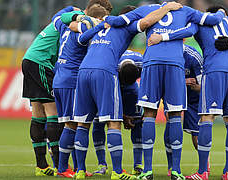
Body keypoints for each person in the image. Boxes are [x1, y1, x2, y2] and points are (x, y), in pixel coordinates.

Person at [104, 3, 227, 180]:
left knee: (149, 114)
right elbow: (213, 19)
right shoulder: (185, 10)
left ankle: (147, 170)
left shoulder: (147, 9)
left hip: (152, 63)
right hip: (175, 65)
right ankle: (175, 171)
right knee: (175, 114)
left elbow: (118, 20)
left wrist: (105, 20)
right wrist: (222, 11)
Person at [71, 3, 184, 180]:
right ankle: (117, 172)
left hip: (83, 71)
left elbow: (81, 39)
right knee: (113, 123)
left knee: (82, 123)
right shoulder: (128, 26)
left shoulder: (101, 25)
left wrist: (100, 24)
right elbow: (147, 22)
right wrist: (166, 8)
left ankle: (79, 171)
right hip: (105, 71)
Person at [52, 4, 108, 178]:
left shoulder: (65, 27)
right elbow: (84, 39)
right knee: (73, 124)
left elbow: (59, 17)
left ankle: (77, 168)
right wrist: (101, 25)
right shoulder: (80, 33)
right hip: (71, 80)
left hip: (59, 79)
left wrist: (71, 9)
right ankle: (62, 168)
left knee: (71, 124)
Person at [21, 5, 78, 177]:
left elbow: (65, 11)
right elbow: (71, 13)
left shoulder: (57, 20)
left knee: (38, 113)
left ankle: (42, 165)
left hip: (29, 60)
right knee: (54, 111)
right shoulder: (72, 18)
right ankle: (61, 166)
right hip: (40, 63)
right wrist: (83, 16)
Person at [91, 50, 144, 176]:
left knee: (136, 123)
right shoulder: (110, 63)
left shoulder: (143, 63)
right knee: (99, 122)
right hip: (109, 86)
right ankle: (102, 164)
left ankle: (138, 165)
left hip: (132, 93)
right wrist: (121, 115)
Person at [164, 44, 205, 177]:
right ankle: (172, 166)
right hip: (173, 93)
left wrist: (194, 85)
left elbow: (202, 86)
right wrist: (182, 81)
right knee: (170, 124)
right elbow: (162, 80)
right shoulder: (165, 55)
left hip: (193, 99)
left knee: (196, 134)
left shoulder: (194, 57)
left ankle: (204, 167)